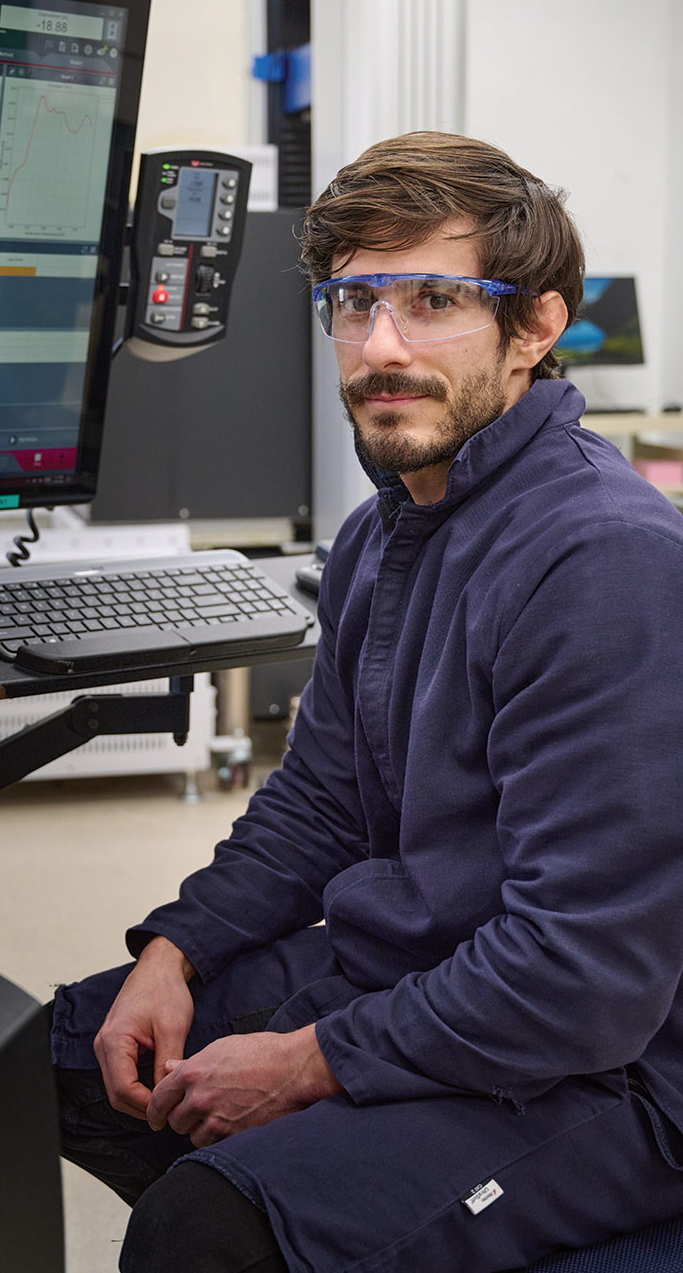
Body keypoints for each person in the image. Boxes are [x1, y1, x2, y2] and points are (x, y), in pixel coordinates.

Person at [51, 131, 683, 1273]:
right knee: (64, 1054)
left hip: (611, 1069)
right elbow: (319, 804)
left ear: (535, 327)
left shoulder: (601, 560)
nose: (379, 347)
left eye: (433, 298)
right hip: (423, 974)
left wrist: (308, 1064)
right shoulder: (385, 529)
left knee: (205, 1230)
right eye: (352, 303)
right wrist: (176, 952)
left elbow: (583, 979)